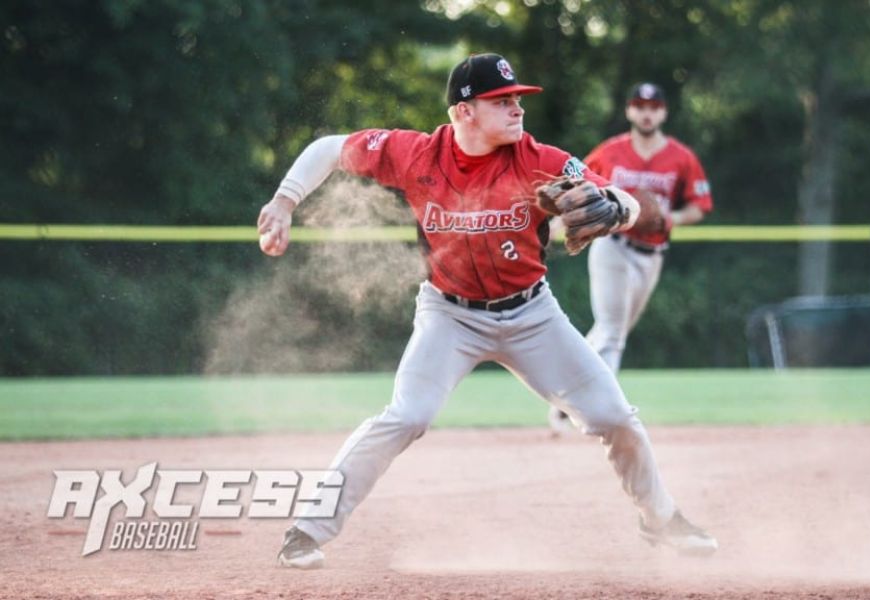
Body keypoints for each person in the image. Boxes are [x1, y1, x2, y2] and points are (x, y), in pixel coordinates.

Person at [257, 53, 718, 569]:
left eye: (517, 98)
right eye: (502, 101)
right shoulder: (416, 155)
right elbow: (329, 149)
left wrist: (617, 208)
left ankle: (660, 519)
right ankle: (306, 530)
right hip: (448, 316)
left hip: (532, 316)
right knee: (407, 415)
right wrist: (285, 201)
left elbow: (616, 197)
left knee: (616, 417)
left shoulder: (537, 157)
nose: (516, 108)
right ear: (464, 111)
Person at [548, 82, 713, 434]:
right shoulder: (611, 152)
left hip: (651, 254)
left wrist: (671, 218)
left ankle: (564, 391)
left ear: (664, 112)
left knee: (615, 331)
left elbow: (699, 206)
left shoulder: (680, 157)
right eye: (639, 105)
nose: (647, 112)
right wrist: (561, 211)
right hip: (613, 246)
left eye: (653, 106)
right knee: (611, 331)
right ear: (629, 111)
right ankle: (600, 411)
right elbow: (574, 176)